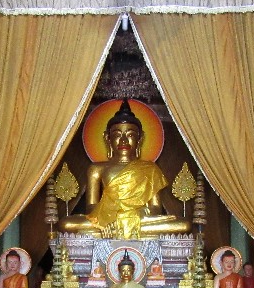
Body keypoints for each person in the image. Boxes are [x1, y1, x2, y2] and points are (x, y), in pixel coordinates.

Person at [59, 99, 190, 238]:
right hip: (107, 220)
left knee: (183, 225)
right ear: (107, 138)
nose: (123, 140)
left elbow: (156, 208)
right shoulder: (96, 169)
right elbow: (91, 206)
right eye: (117, 135)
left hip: (140, 219)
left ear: (140, 139)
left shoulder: (150, 168)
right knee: (67, 224)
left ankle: (121, 228)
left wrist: (136, 214)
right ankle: (117, 228)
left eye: (130, 135)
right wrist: (106, 219)